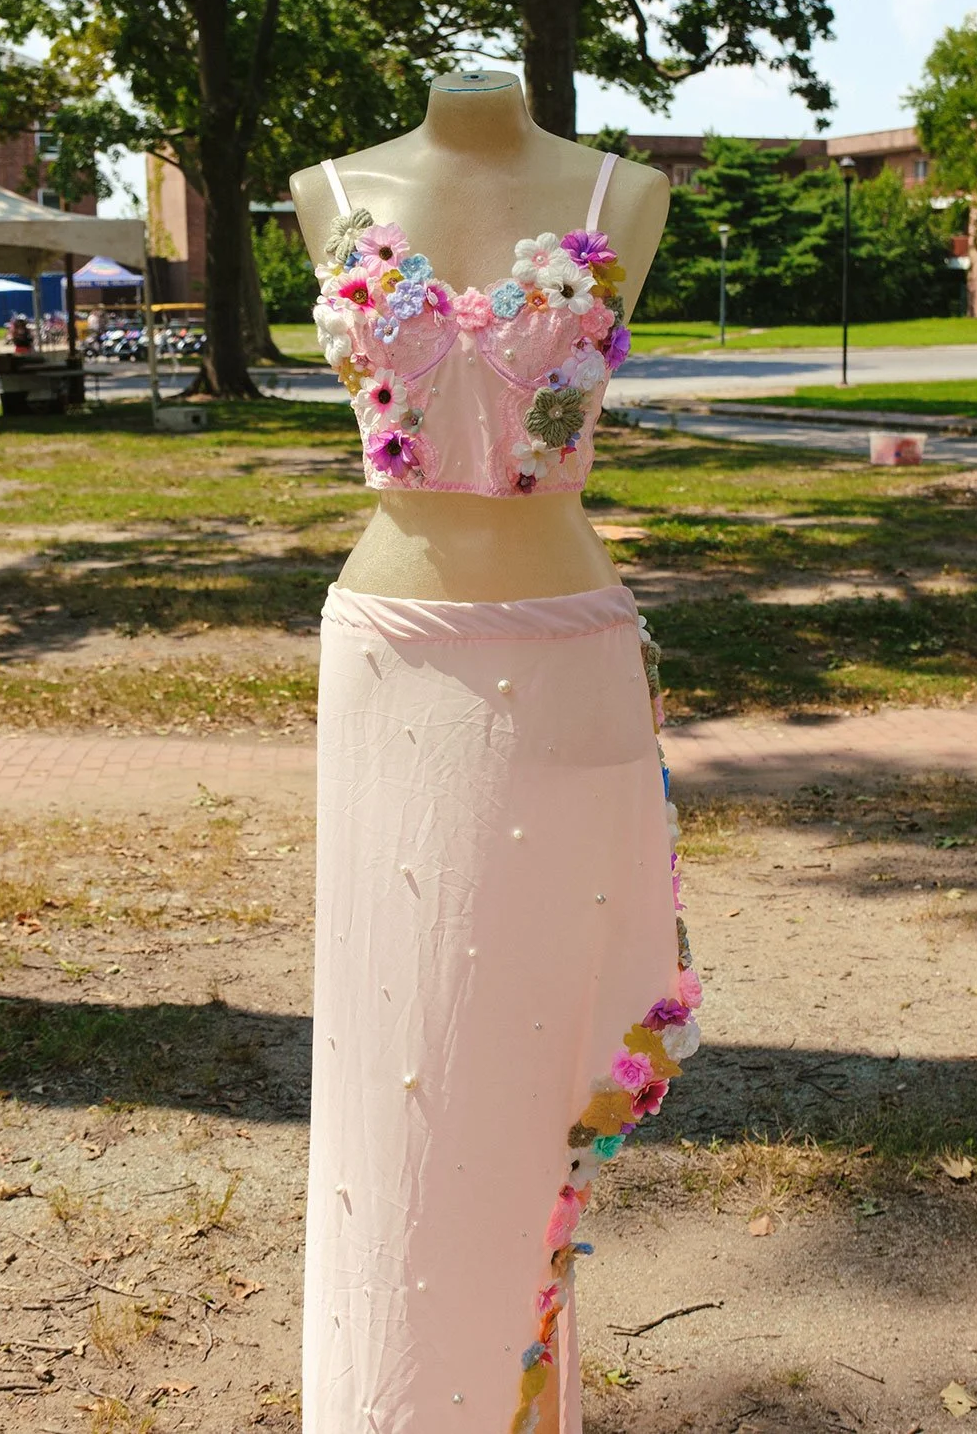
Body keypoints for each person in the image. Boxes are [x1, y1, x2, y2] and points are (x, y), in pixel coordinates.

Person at [291, 71, 679, 1434]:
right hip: (395, 655)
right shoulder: (326, 195)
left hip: (565, 651)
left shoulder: (617, 194)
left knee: (526, 1055)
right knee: (399, 1065)